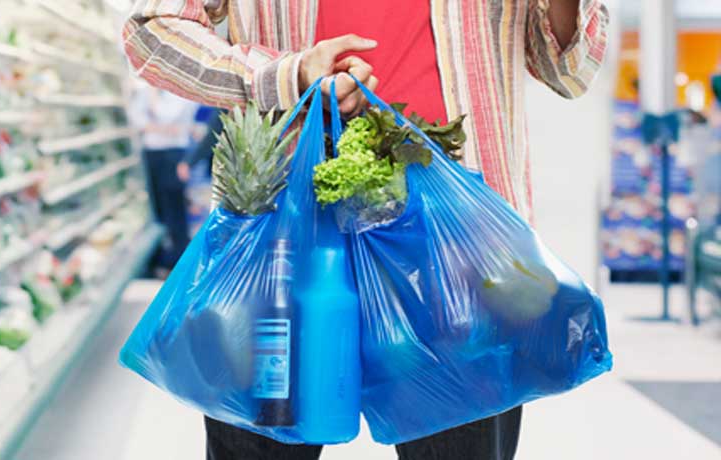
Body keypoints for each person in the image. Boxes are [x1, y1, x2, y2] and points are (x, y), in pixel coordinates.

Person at [122, 1, 609, 459]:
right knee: (261, 444)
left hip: (460, 244)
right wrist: (286, 76)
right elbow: (151, 30)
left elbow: (567, 67)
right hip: (282, 235)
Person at [129, 83, 202, 273]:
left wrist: (152, 98)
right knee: (158, 208)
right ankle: (163, 258)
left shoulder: (179, 91)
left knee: (175, 208)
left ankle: (181, 260)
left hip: (173, 154)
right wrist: (159, 128)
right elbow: (137, 120)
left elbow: (164, 114)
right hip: (152, 153)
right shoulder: (146, 90)